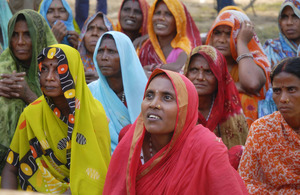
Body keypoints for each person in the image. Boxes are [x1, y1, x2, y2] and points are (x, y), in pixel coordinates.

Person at [103, 69, 248, 194]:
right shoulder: (131, 141)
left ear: (186, 108)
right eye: (149, 95)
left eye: (167, 97)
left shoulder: (207, 148)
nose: (154, 104)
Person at [1, 44, 111, 194]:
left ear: (74, 73)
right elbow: (11, 168)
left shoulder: (94, 115)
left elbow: (94, 175)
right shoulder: (32, 113)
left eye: (59, 70)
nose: (49, 77)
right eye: (44, 69)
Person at [0, 10, 57, 175]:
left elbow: (62, 121)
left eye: (27, 35)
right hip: (8, 168)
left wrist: (29, 96)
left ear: (39, 36)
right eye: (14, 35)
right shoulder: (4, 67)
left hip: (49, 164)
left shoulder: (57, 71)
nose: (20, 42)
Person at [239, 57, 300, 194]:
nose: (283, 99)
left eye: (291, 89)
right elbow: (246, 181)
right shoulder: (262, 129)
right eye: (277, 91)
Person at [184, 45, 248, 169]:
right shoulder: (177, 106)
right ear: (186, 72)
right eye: (194, 70)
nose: (200, 77)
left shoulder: (229, 108)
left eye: (208, 72)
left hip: (223, 172)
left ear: (220, 76)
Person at [206, 8, 271, 127]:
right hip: (211, 134)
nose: (221, 40)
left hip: (250, 135)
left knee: (244, 98)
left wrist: (241, 42)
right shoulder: (205, 60)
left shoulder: (258, 60)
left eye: (229, 34)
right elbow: (194, 90)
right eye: (217, 33)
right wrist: (233, 87)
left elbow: (251, 84)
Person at [88, 31, 147, 153]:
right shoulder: (90, 92)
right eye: (100, 51)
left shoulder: (145, 91)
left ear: (126, 56)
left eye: (111, 51)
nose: (104, 57)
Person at [78, 12, 113, 84]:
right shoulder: (75, 62)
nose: (94, 33)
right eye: (90, 28)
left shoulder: (116, 64)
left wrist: (103, 80)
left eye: (100, 29)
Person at [264, 0, 300, 68]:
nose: (289, 23)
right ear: (279, 21)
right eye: (284, 17)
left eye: (296, 16)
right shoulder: (271, 49)